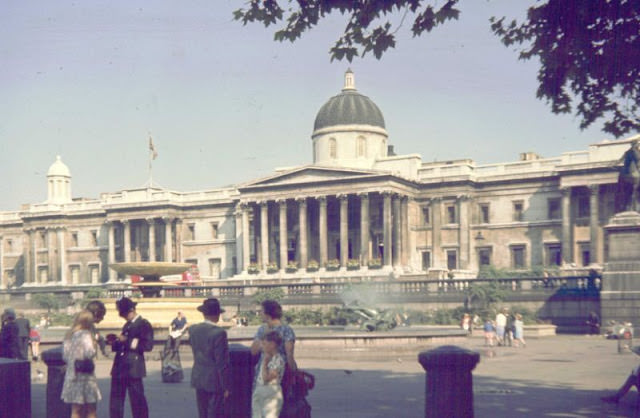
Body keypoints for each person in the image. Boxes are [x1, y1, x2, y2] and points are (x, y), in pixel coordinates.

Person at [108, 297, 154, 418]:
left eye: (125, 313)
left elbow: (147, 345)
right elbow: (123, 344)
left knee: (137, 399)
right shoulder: (127, 324)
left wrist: (126, 341)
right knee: (116, 400)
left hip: (133, 367)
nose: (122, 315)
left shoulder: (143, 324)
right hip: (120, 367)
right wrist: (115, 342)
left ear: (132, 310)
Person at [250, 300, 297, 416]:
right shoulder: (286, 330)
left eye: (261, 311)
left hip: (270, 374)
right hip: (278, 373)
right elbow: (289, 355)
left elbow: (253, 352)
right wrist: (295, 373)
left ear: (267, 313)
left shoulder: (277, 330)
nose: (259, 313)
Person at [188, 298, 230, 418]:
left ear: (203, 313)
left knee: (202, 412)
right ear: (217, 315)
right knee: (214, 413)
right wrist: (226, 386)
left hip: (198, 376)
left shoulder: (193, 329)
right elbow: (221, 362)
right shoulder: (219, 333)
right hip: (214, 379)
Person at [61, 310, 102, 418]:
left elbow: (65, 356)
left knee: (75, 410)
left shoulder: (69, 335)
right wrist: (95, 343)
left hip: (71, 375)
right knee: (91, 409)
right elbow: (89, 354)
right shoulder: (86, 335)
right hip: (85, 376)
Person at [252, 330, 285, 418]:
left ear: (273, 345)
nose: (262, 347)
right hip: (260, 389)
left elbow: (266, 378)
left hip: (271, 390)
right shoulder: (265, 356)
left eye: (264, 344)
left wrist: (265, 364)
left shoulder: (278, 360)